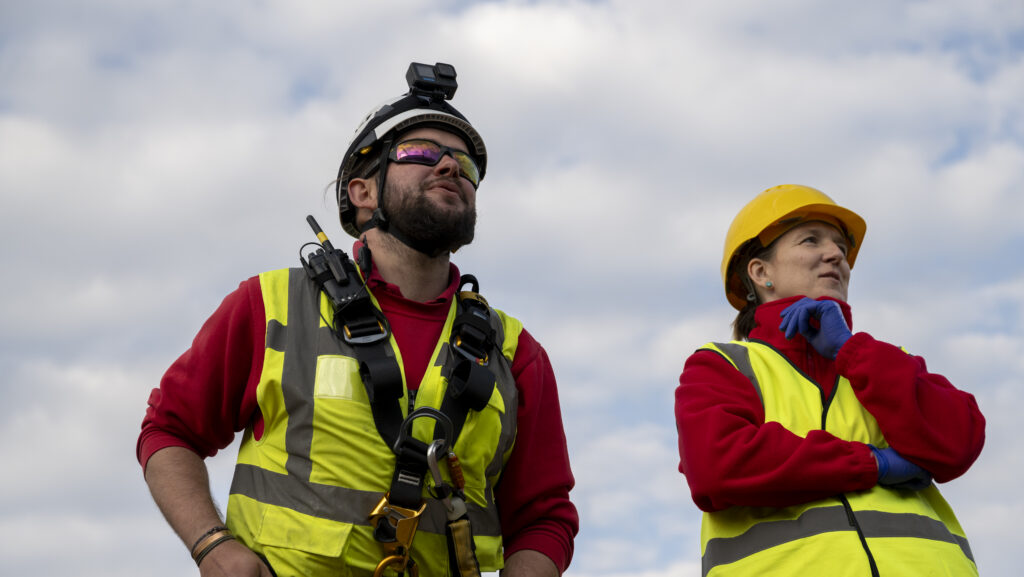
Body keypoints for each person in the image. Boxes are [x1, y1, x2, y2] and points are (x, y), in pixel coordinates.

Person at [138, 62, 578, 577]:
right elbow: (169, 431)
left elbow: (544, 518)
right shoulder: (270, 305)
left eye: (465, 164)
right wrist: (212, 545)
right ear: (362, 193)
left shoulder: (515, 353)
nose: (451, 168)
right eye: (421, 153)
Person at [674, 184, 985, 576]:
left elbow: (959, 441)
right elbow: (719, 466)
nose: (836, 255)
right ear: (760, 272)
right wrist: (873, 464)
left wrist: (849, 351)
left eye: (840, 245)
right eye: (810, 240)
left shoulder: (882, 362)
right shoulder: (723, 365)